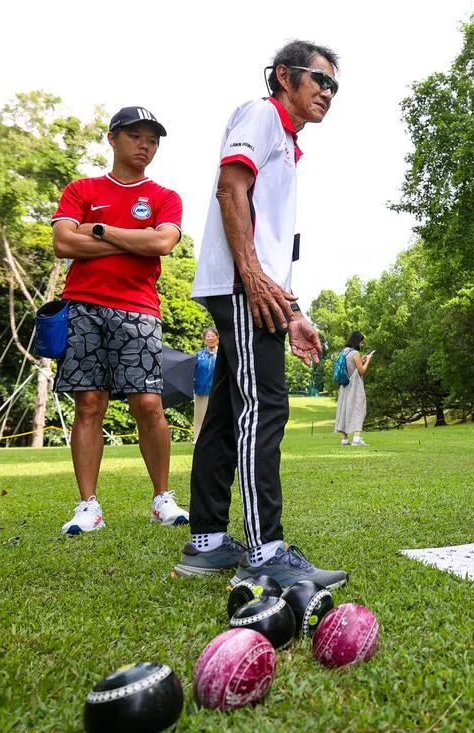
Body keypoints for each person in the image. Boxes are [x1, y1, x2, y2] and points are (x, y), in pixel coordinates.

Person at [173, 41, 347, 589]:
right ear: (283, 77)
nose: (327, 92)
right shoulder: (262, 114)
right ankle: (265, 550)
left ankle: (206, 542)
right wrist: (250, 278)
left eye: (334, 86)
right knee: (264, 408)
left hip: (257, 289)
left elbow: (273, 240)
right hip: (242, 288)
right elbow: (230, 188)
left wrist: (292, 310)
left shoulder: (286, 141)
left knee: (226, 410)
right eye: (319, 80)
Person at [50, 106, 188, 535]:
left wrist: (98, 230)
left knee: (148, 403)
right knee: (89, 404)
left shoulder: (166, 197)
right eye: (135, 136)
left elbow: (162, 242)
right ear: (112, 138)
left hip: (140, 308)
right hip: (83, 305)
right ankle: (88, 505)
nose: (145, 145)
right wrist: (133, 242)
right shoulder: (82, 188)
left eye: (152, 139)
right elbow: (61, 242)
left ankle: (162, 498)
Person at [334, 331, 371, 446]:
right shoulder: (355, 353)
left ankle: (344, 439)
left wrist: (362, 361)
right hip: (355, 386)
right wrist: (368, 360)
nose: (362, 345)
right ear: (357, 341)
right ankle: (356, 438)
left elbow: (351, 367)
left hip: (344, 385)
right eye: (361, 342)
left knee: (344, 409)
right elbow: (361, 371)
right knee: (358, 408)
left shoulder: (343, 352)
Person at [192, 328, 219, 442]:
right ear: (204, 339)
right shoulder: (199, 354)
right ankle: (197, 439)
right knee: (199, 416)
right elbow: (192, 371)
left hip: (217, 390)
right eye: (208, 336)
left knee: (216, 416)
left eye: (213, 336)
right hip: (201, 390)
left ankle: (215, 438)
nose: (210, 338)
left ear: (217, 338)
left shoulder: (222, 355)